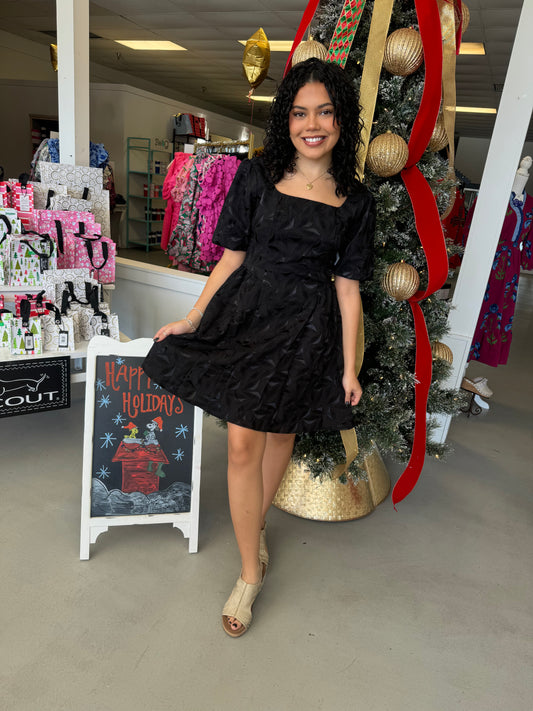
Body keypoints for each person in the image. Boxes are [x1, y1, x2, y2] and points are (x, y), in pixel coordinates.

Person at [142, 58, 376, 637]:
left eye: (324, 112)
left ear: (341, 119)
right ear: (286, 119)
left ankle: (257, 528)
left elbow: (349, 291)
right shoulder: (255, 176)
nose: (312, 125)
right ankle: (250, 573)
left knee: (281, 436)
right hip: (248, 318)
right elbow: (231, 260)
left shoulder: (356, 201)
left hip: (307, 332)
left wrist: (349, 368)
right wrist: (193, 319)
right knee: (244, 444)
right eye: (300, 113)